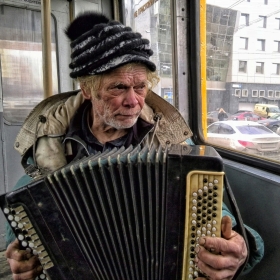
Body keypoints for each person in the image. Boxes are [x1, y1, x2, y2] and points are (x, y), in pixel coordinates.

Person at [5, 11, 263, 280]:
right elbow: (25, 218)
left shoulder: (172, 141)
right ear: (87, 90)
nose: (134, 101)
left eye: (140, 87)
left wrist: (243, 246)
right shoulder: (49, 145)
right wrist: (21, 258)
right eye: (118, 87)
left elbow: (220, 217)